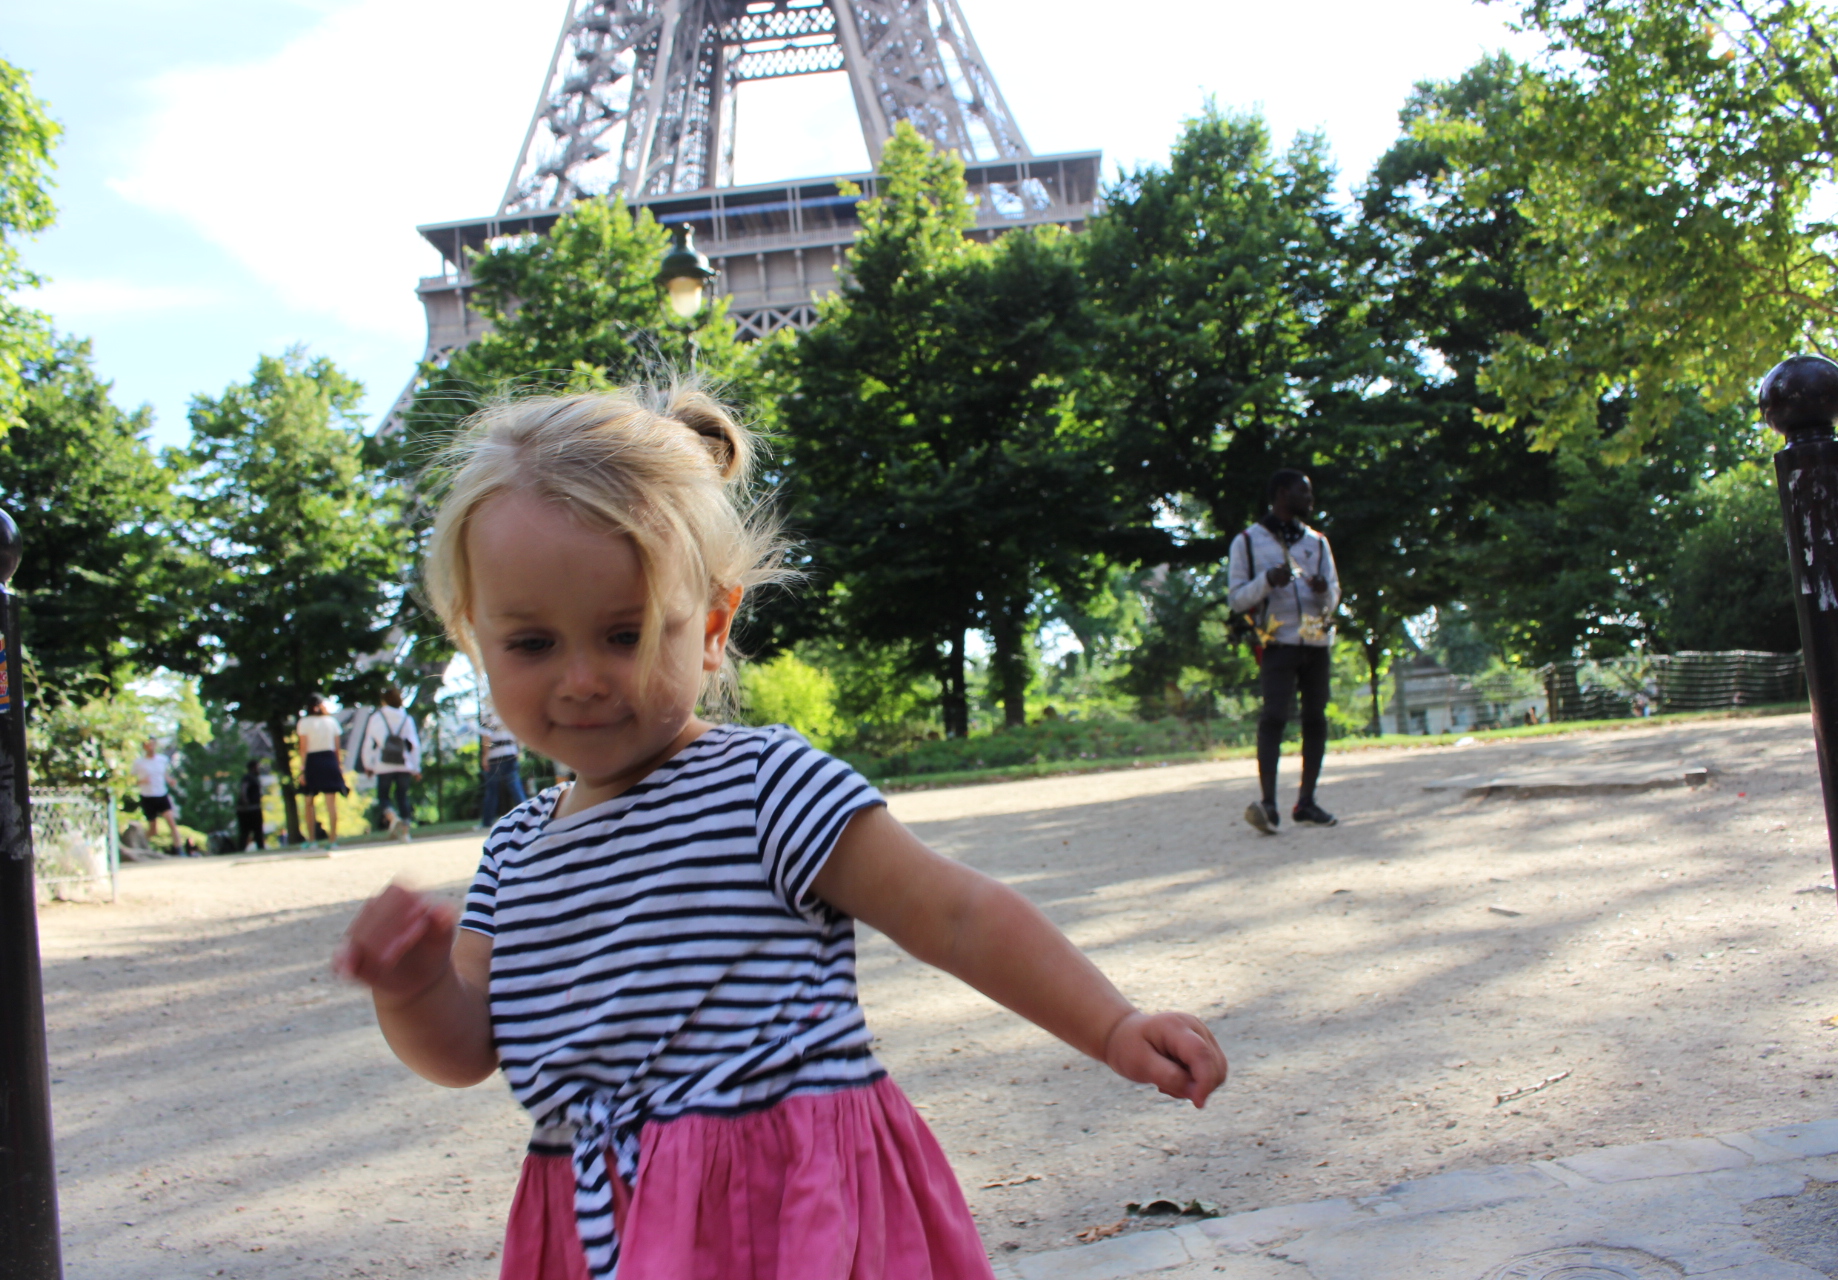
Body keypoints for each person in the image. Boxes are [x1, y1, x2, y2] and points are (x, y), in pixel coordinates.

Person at [334, 385, 1228, 1280]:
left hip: (787, 1204)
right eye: (531, 644)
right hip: (602, 1218)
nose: (581, 679)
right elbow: (467, 1052)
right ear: (473, 639)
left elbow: (953, 913)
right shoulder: (515, 855)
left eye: (625, 633)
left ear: (713, 627)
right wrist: (411, 988)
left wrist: (1112, 1026)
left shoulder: (764, 786)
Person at [1227, 467, 1341, 834]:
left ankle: (1306, 802)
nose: (1309, 499)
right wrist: (1266, 582)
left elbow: (1335, 594)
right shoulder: (1247, 541)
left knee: (1315, 719)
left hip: (1316, 642)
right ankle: (1269, 804)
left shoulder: (1318, 543)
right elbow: (1236, 598)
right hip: (1277, 643)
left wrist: (1325, 590)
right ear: (1280, 494)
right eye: (1303, 493)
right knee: (1274, 717)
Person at [360, 686, 423, 841]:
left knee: (383, 796)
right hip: (404, 763)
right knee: (403, 797)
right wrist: (416, 767)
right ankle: (406, 832)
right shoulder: (406, 718)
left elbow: (369, 743)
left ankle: (392, 816)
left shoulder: (377, 717)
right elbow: (413, 745)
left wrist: (368, 765)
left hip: (384, 764)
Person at [296, 694, 350, 851]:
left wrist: (302, 770)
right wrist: (339, 767)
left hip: (313, 761)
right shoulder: (331, 722)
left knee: (309, 802)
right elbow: (337, 748)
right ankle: (333, 840)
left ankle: (312, 840)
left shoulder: (304, 723)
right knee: (331, 803)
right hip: (329, 760)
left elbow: (303, 748)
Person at [478, 698, 526, 828]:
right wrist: (518, 750)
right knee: (516, 788)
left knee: (492, 792)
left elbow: (487, 736)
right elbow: (517, 734)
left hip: (495, 758)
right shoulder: (508, 711)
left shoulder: (488, 713)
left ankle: (486, 822)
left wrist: (485, 756)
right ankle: (528, 817)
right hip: (511, 754)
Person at [132, 738, 183, 855]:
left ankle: (179, 849)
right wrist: (141, 781)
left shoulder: (162, 760)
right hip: (147, 796)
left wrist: (170, 780)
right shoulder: (139, 763)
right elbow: (131, 780)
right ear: (144, 747)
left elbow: (164, 774)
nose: (150, 747)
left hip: (161, 794)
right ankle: (141, 846)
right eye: (148, 745)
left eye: (152, 744)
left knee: (171, 822)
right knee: (153, 829)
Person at [236, 758, 269, 852]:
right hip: (250, 809)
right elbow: (244, 790)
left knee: (252, 831)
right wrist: (245, 801)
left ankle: (259, 847)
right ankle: (244, 848)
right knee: (249, 831)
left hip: (251, 808)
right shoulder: (248, 778)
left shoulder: (252, 778)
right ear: (253, 768)